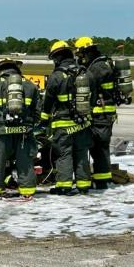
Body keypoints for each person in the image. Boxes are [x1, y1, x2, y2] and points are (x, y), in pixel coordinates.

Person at [41, 40, 92, 194]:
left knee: (64, 154)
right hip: (82, 123)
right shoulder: (84, 72)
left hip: (63, 124)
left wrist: (44, 120)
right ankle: (84, 186)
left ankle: (64, 186)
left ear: (57, 58)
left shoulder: (56, 76)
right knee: (81, 153)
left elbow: (48, 101)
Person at [0, 58, 39, 198]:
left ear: (0, 70)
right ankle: (27, 191)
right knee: (25, 161)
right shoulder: (30, 85)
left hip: (2, 132)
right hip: (24, 132)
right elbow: (37, 111)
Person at [74, 36, 116, 189]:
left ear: (87, 52)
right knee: (100, 149)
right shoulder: (102, 63)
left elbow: (89, 85)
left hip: (100, 115)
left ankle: (102, 181)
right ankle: (102, 179)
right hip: (104, 114)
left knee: (99, 149)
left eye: (81, 55)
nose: (80, 58)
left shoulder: (97, 68)